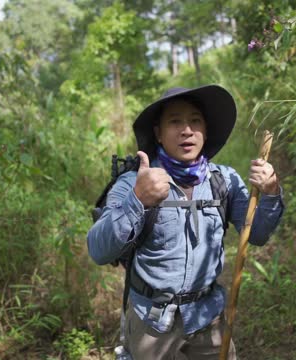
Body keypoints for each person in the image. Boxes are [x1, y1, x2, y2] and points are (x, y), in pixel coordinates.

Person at [87, 85, 284, 359]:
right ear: (158, 132)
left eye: (195, 121)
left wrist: (271, 191)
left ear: (205, 130)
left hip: (209, 319)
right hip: (151, 323)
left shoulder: (224, 181)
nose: (187, 130)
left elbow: (258, 234)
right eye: (175, 121)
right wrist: (138, 200)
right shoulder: (133, 182)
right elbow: (98, 250)